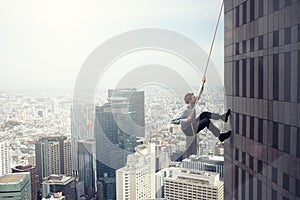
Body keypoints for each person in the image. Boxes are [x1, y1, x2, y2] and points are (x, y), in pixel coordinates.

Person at [179, 77, 231, 158]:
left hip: (193, 124)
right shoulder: (186, 110)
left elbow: (199, 95)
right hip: (189, 130)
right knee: (206, 121)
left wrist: (202, 84)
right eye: (193, 97)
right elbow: (181, 122)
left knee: (204, 114)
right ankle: (220, 136)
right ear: (189, 101)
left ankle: (222, 117)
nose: (195, 98)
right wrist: (187, 120)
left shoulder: (193, 104)